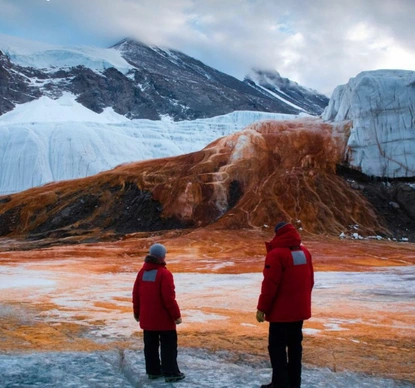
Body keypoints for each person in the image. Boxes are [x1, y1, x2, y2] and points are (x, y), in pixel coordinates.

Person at [256, 222, 314, 388]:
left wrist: (262, 308)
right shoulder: (305, 252)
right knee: (295, 348)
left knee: (277, 348)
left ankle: (280, 384)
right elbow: (310, 281)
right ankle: (294, 383)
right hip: (299, 311)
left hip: (281, 314)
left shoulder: (276, 254)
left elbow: (270, 285)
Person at [132, 243, 185, 383]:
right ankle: (171, 372)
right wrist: (176, 316)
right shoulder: (164, 274)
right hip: (164, 320)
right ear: (162, 256)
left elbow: (136, 294)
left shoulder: (142, 273)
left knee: (150, 346)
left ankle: (153, 371)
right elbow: (168, 298)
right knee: (168, 345)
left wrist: (137, 313)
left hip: (147, 319)